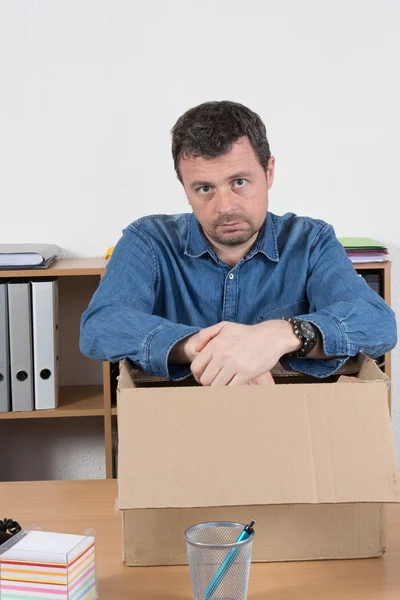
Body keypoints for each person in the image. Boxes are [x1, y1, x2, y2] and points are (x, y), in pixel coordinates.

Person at [79, 100, 397, 386]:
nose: (225, 206)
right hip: (177, 430)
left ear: (269, 171)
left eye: (239, 182)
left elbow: (378, 325)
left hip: (291, 427)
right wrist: (206, 347)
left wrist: (280, 335)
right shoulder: (148, 240)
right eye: (204, 188)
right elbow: (100, 326)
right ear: (184, 186)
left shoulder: (311, 241)